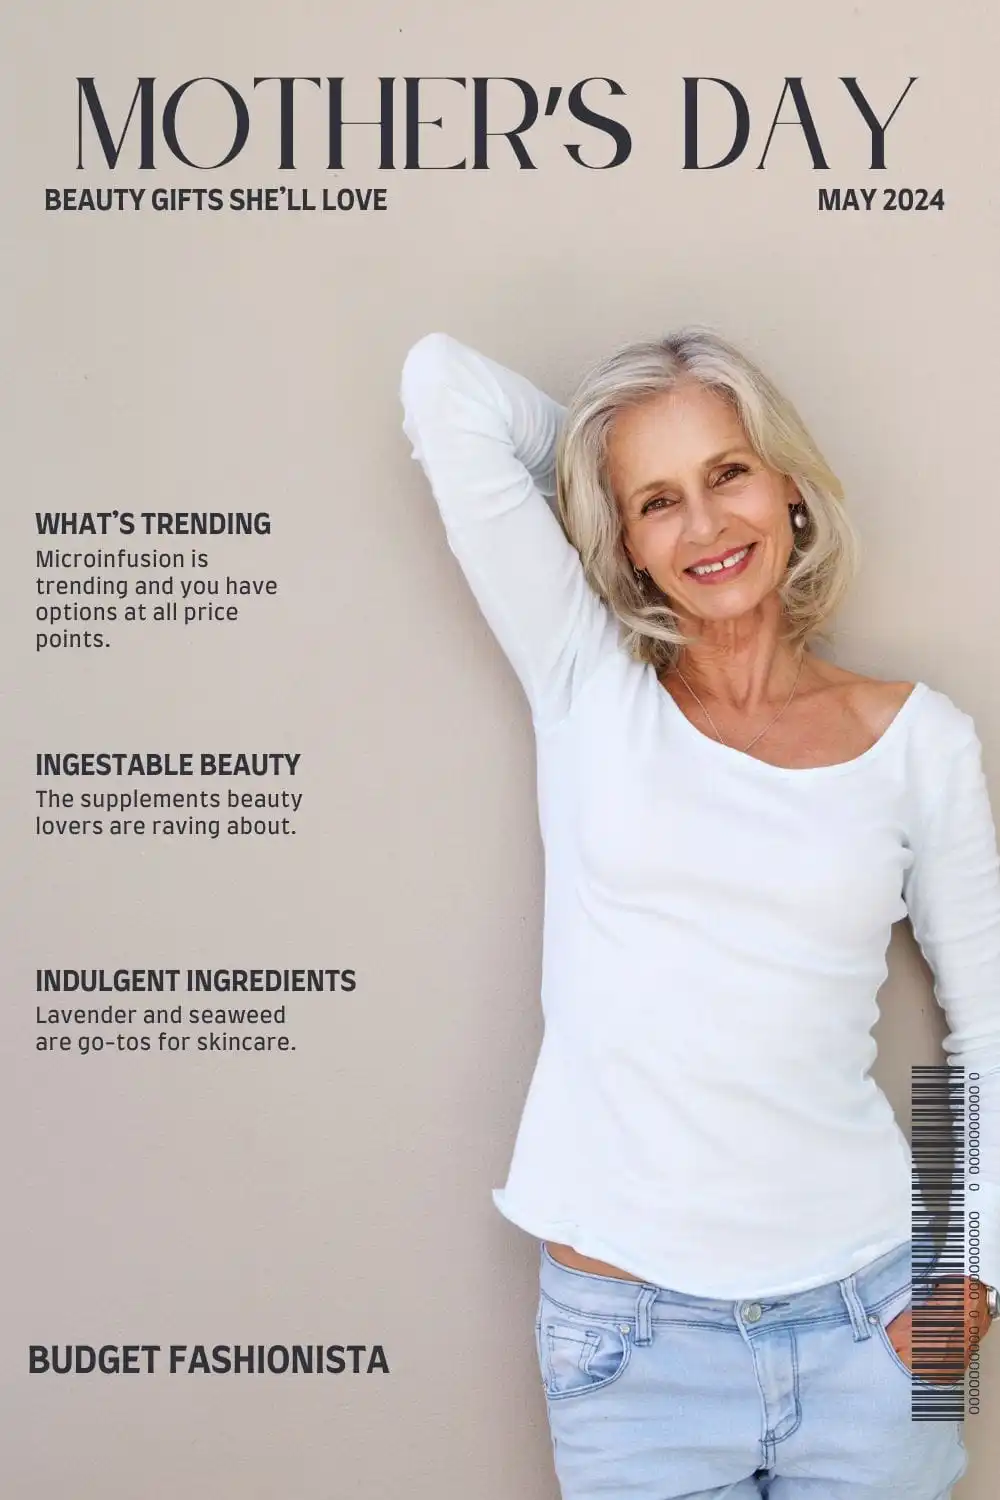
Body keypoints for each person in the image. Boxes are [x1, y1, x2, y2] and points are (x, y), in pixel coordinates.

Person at [398, 326, 1000, 1498]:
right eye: (655, 500)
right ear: (620, 539)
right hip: (630, 1348)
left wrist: (971, 1279)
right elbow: (441, 383)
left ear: (786, 483)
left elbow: (987, 1030)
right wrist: (601, 443)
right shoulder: (585, 682)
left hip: (869, 1325)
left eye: (727, 472)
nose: (707, 527)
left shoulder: (919, 740)